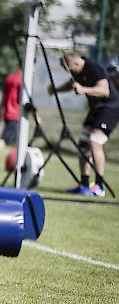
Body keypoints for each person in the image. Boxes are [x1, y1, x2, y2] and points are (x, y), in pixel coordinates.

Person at [49, 52, 119, 196]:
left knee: (95, 142)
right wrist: (56, 90)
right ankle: (84, 184)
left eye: (68, 69)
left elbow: (104, 90)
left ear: (76, 64)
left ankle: (99, 186)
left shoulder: (94, 67)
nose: (68, 72)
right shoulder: (77, 71)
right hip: (95, 109)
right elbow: (72, 84)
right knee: (83, 144)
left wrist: (84, 90)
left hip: (109, 108)